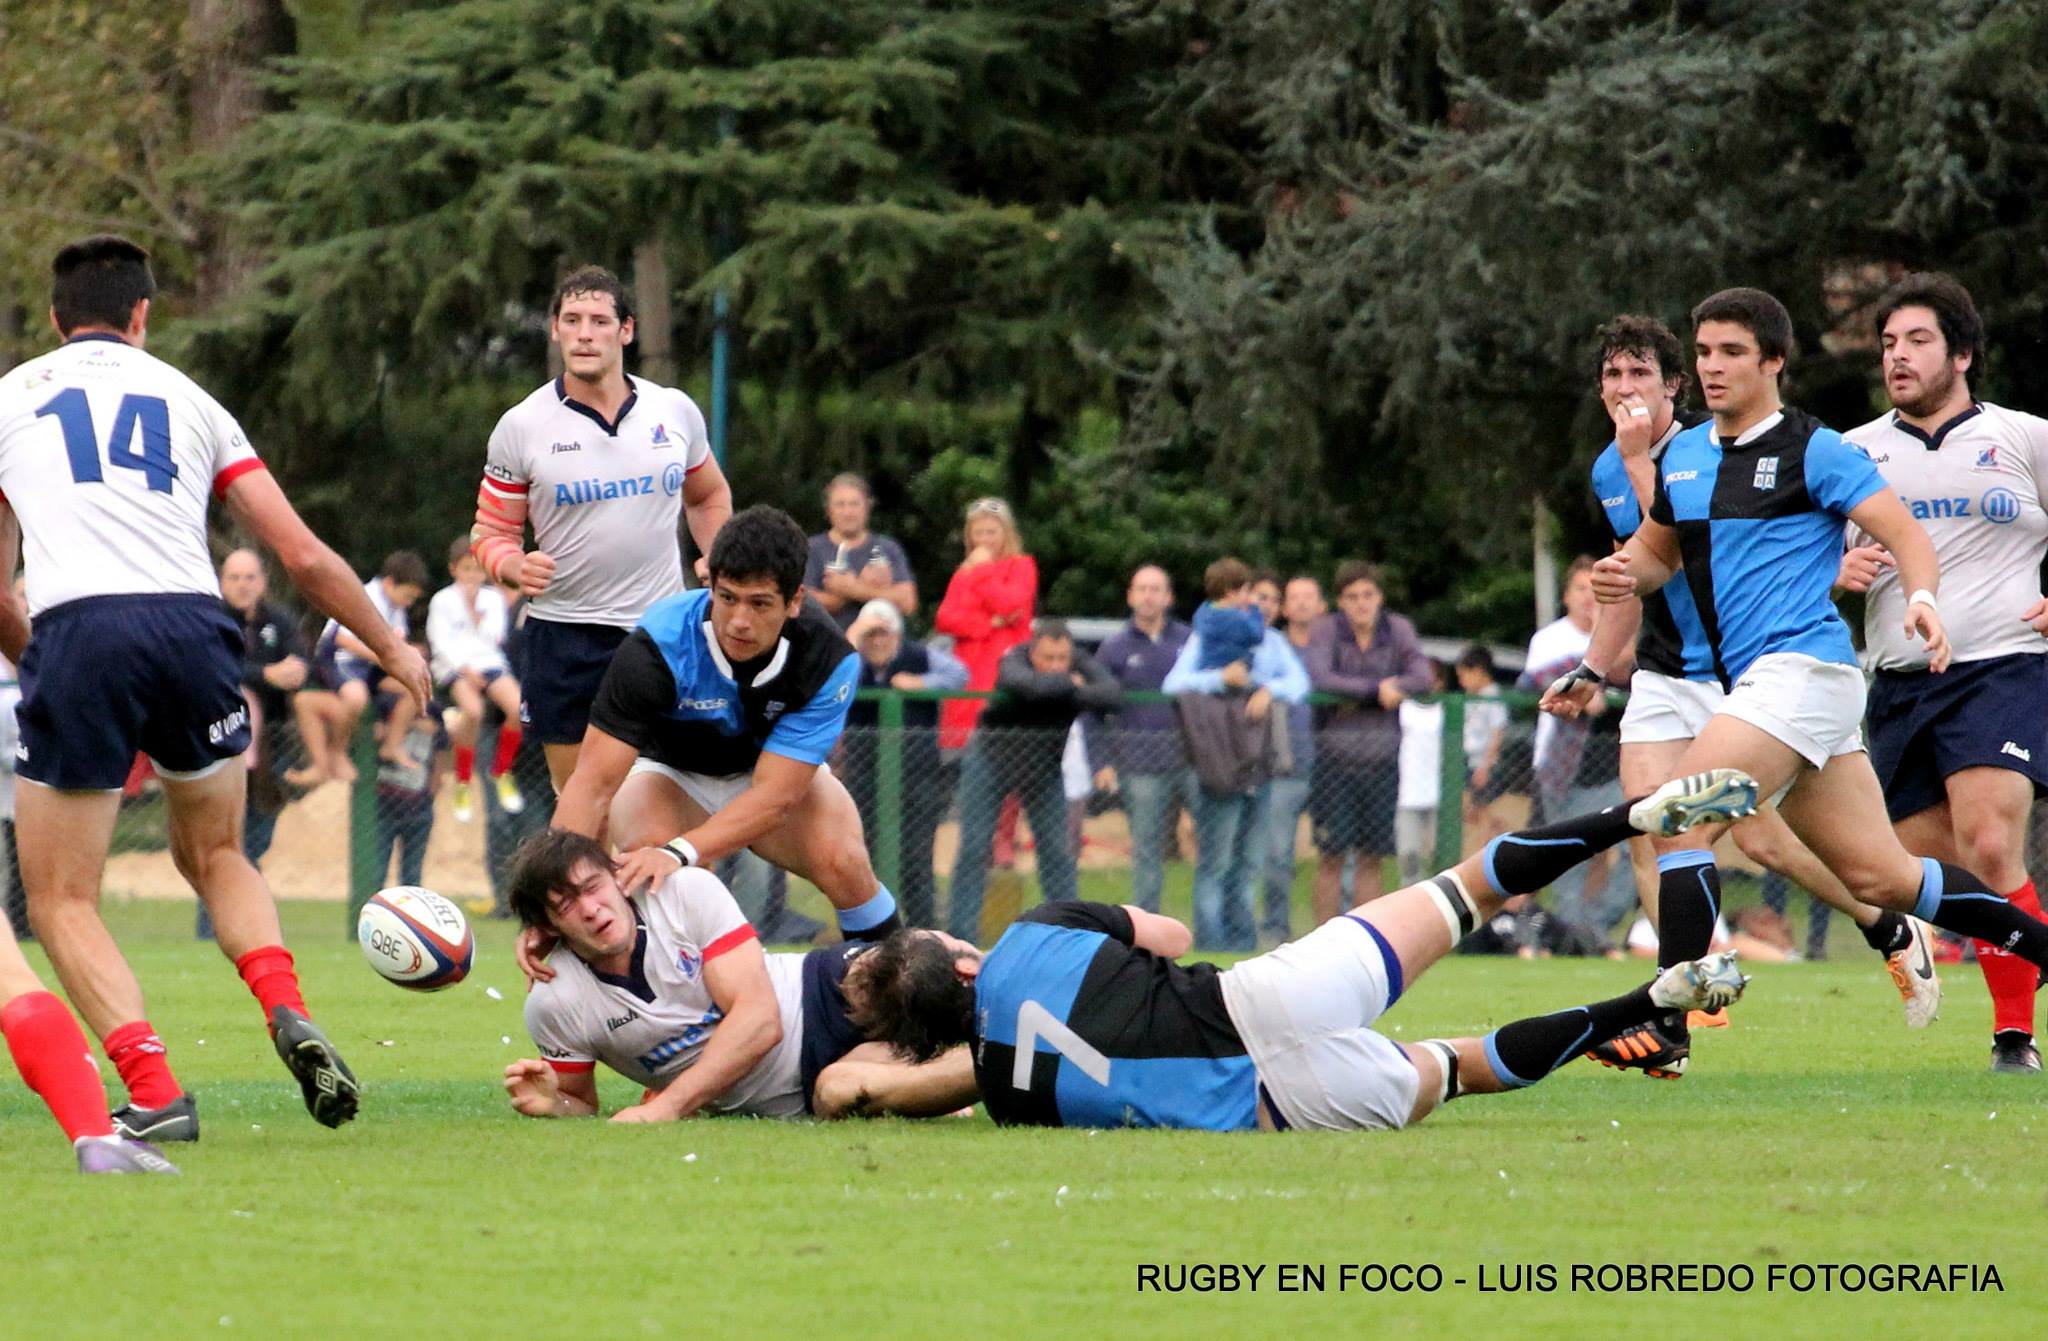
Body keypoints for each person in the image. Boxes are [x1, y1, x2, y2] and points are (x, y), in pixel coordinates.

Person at [0, 234, 431, 1138]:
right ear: (143, 316)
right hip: (199, 628)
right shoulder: (193, 401)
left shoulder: (12, 400)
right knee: (220, 853)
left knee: (62, 897)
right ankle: (284, 1003)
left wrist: (38, 655)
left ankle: (154, 1092)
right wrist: (391, 647)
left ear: (53, 319)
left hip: (83, 627)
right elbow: (299, 553)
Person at [1582, 286, 2048, 1076]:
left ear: (1773, 361)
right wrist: (1624, 575)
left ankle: (1670, 1026)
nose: (1713, 366)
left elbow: (1905, 534)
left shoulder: (1819, 448)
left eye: (1732, 352)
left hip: (1804, 671)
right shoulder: (1686, 458)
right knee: (1882, 876)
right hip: (1772, 690)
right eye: (1703, 353)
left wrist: (1924, 600)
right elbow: (1660, 555)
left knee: (1680, 822)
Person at [842, 768, 1759, 1130]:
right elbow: (1172, 933)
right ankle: (1628, 817)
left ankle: (1651, 1004)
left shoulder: (1004, 1095)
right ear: (962, 963)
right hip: (1261, 998)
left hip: (1270, 1105)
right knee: (1470, 888)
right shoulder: (1034, 929)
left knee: (1462, 1064)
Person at [1841, 273, 2048, 1071]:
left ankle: (2013, 1037)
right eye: (1889, 342)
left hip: (2002, 668)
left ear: (1962, 353)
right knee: (1905, 871)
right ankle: (2003, 957)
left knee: (1992, 842)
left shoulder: (2023, 438)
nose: (1898, 355)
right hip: (1898, 682)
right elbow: (1809, 558)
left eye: (1917, 339)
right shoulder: (1855, 452)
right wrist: (1839, 574)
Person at [538, 506, 903, 948]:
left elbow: (775, 798)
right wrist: (549, 905)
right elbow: (592, 784)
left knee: (843, 861)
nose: (740, 620)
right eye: (727, 597)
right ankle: (684, 1008)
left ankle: (894, 989)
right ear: (709, 583)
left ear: (795, 602)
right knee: (648, 868)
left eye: (760, 603)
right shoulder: (659, 644)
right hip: (669, 775)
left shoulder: (827, 658)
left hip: (765, 778)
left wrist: (681, 851)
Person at [470, 265, 734, 794]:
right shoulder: (522, 426)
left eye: (598, 320)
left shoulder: (673, 411)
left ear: (626, 330)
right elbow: (489, 533)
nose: (585, 333)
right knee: (582, 805)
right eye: (572, 320)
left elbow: (706, 496)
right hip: (566, 638)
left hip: (661, 630)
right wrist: (513, 564)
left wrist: (719, 557)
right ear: (554, 330)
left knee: (669, 798)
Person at [501, 830, 975, 1122]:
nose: (591, 909)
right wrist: (554, 1104)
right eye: (567, 905)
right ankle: (980, 1070)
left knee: (917, 960)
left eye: (593, 887)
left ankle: (1021, 986)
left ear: (616, 874)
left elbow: (760, 1021)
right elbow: (579, 1104)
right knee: (840, 1092)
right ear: (547, 927)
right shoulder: (555, 1003)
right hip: (808, 1088)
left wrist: (667, 1106)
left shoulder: (682, 891)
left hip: (817, 992)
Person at [1164, 559, 1310, 950]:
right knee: (1216, 861)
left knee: (1249, 864)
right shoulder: (1206, 636)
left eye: (1269, 600)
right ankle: (1210, 946)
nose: (1260, 605)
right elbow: (1174, 682)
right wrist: (1219, 679)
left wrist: (1267, 690)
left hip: (1257, 763)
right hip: (1219, 761)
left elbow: (1299, 683)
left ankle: (1243, 947)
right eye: (1255, 595)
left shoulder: (1273, 643)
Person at [946, 619, 1120, 941]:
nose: (1055, 666)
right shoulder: (1013, 658)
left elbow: (1112, 694)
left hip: (1044, 766)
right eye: (1047, 659)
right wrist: (1074, 687)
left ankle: (1070, 935)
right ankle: (960, 938)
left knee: (1057, 850)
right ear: (1033, 651)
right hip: (990, 759)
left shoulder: (1079, 659)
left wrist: (1063, 687)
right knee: (974, 846)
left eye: (1062, 659)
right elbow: (1028, 686)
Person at [1304, 562, 1434, 916]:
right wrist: (1376, 691)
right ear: (1340, 601)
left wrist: (1398, 687)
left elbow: (1422, 675)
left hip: (1382, 759)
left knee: (1371, 857)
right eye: (1352, 597)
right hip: (1335, 759)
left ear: (1380, 597)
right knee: (1331, 856)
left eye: (1368, 595)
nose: (1362, 604)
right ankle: (1321, 945)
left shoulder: (1399, 630)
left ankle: (1364, 942)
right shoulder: (1325, 630)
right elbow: (1319, 677)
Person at [1521, 558, 1637, 945]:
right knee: (1562, 855)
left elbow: (1630, 670)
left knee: (1622, 849)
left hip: (1615, 763)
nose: (1590, 597)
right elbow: (1530, 684)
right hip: (1563, 769)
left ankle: (1590, 928)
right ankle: (1557, 935)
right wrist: (1582, 681)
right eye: (1581, 589)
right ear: (1567, 595)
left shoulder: (1625, 634)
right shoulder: (1552, 640)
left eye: (1596, 588)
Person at [842, 599, 968, 927]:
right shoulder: (852, 664)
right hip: (865, 778)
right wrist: (853, 644)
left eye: (884, 634)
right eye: (871, 635)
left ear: (897, 636)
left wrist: (922, 684)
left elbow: (959, 674)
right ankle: (874, 932)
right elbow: (831, 679)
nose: (878, 641)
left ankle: (924, 931)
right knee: (865, 856)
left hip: (919, 777)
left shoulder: (919, 657)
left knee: (916, 859)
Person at [1093, 565, 1193, 915]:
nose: (1149, 596)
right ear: (1131, 596)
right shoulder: (1113, 649)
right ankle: (1149, 935)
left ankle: (1219, 934)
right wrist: (1101, 761)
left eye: (1156, 589)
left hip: (1195, 761)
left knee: (1214, 847)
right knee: (1148, 851)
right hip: (1140, 765)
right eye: (1142, 589)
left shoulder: (1190, 641)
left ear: (1169, 597)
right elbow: (1094, 711)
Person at [294, 550, 427, 787]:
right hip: (341, 657)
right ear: (389, 583)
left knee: (412, 687)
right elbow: (343, 640)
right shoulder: (366, 597)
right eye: (407, 596)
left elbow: (397, 642)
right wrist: (385, 656)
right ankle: (337, 751)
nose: (409, 603)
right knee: (356, 697)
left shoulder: (397, 608)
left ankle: (392, 746)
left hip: (371, 664)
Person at [426, 535, 526, 823]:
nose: (472, 576)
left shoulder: (492, 599)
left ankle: (502, 771)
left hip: (488, 662)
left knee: (518, 708)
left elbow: (496, 638)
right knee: (473, 711)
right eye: (466, 569)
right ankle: (463, 779)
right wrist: (465, 669)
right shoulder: (442, 600)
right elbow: (439, 642)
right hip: (455, 667)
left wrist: (474, 613)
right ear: (454, 569)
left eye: (477, 569)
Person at [934, 496, 1036, 756]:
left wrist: (982, 571)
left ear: (1006, 533)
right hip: (968, 677)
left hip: (1004, 675)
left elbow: (1010, 605)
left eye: (991, 532)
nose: (985, 539)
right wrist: (989, 623)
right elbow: (945, 619)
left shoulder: (1022, 566)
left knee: (1008, 760)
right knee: (959, 762)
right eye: (978, 532)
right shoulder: (962, 573)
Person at [1256, 575, 1324, 944]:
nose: (1299, 604)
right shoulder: (1271, 646)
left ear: (1322, 605)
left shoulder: (1333, 647)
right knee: (1278, 852)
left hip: (1330, 761)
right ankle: (1275, 929)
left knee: (1337, 853)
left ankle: (1338, 929)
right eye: (1292, 598)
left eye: (1308, 597)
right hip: (1283, 766)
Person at [803, 473, 916, 634]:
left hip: (881, 651)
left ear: (868, 506)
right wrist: (855, 590)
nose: (848, 512)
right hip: (827, 650)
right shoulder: (811, 549)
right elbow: (802, 604)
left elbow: (907, 603)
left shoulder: (888, 548)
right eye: (840, 505)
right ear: (828, 509)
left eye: (854, 504)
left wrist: (854, 588)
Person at [372, 639, 445, 889]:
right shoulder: (382, 703)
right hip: (383, 800)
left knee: (412, 876)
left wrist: (433, 791)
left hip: (418, 801)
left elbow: (441, 753)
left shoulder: (433, 710)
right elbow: (369, 737)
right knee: (375, 870)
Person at [1395, 659, 1452, 886]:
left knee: (1444, 860)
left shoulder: (1446, 710)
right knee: (1409, 858)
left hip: (1441, 796)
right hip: (1408, 795)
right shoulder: (1404, 709)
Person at [1454, 645, 1509, 848]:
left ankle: (1485, 850)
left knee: (1482, 810)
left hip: (1484, 763)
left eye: (1464, 675)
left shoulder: (1492, 696)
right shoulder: (1473, 697)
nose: (1461, 681)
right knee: (1473, 811)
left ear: (1477, 671)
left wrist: (1485, 766)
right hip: (1473, 761)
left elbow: (1497, 732)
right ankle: (1502, 832)